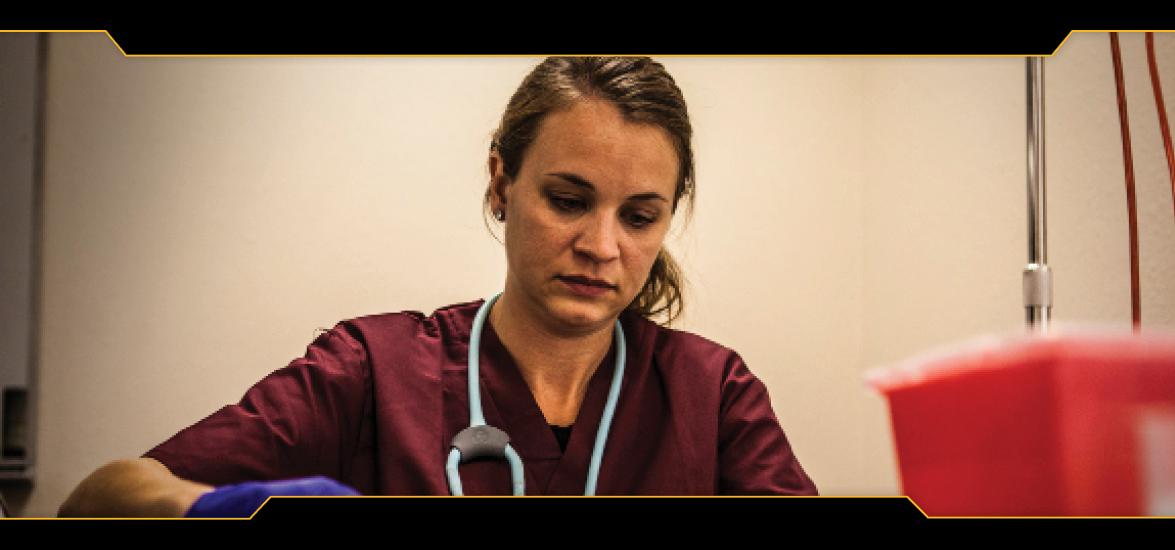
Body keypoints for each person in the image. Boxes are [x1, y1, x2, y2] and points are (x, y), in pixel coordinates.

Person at [58, 56, 817, 517]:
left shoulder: (711, 393)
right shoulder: (372, 370)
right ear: (500, 183)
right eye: (567, 199)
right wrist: (213, 506)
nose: (600, 246)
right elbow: (102, 497)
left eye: (640, 216)